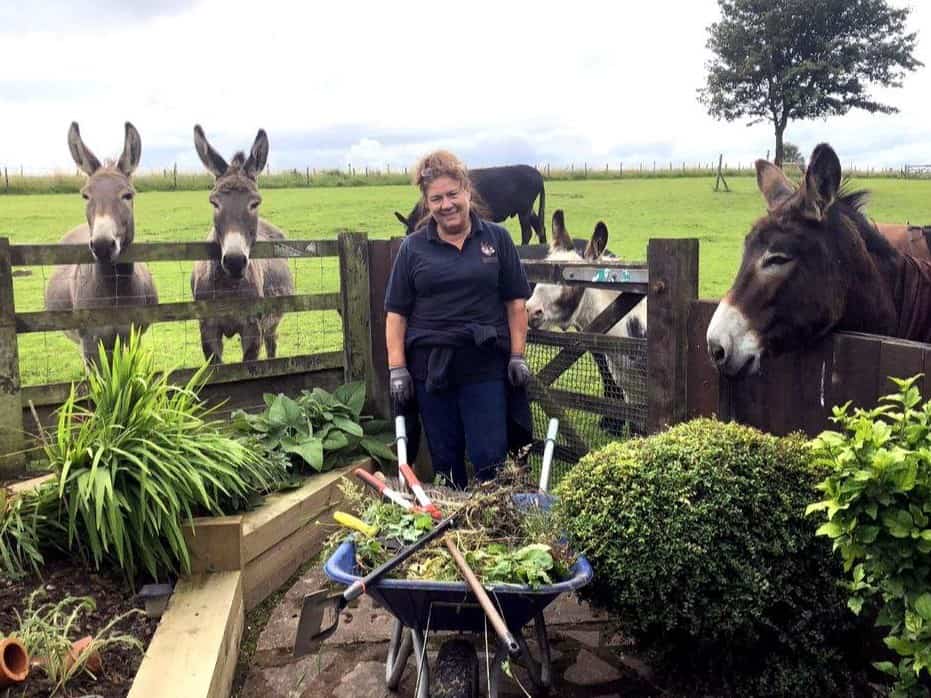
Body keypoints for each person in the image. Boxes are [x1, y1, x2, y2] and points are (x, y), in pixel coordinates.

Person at [384, 150, 532, 488]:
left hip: (484, 369)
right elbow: (396, 315)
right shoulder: (413, 249)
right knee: (446, 463)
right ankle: (453, 531)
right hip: (431, 372)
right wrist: (398, 369)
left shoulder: (497, 239)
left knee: (490, 460)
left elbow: (515, 304)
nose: (446, 204)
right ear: (426, 202)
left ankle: (492, 529)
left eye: (452, 194)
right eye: (436, 198)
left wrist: (517, 355)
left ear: (467, 191)